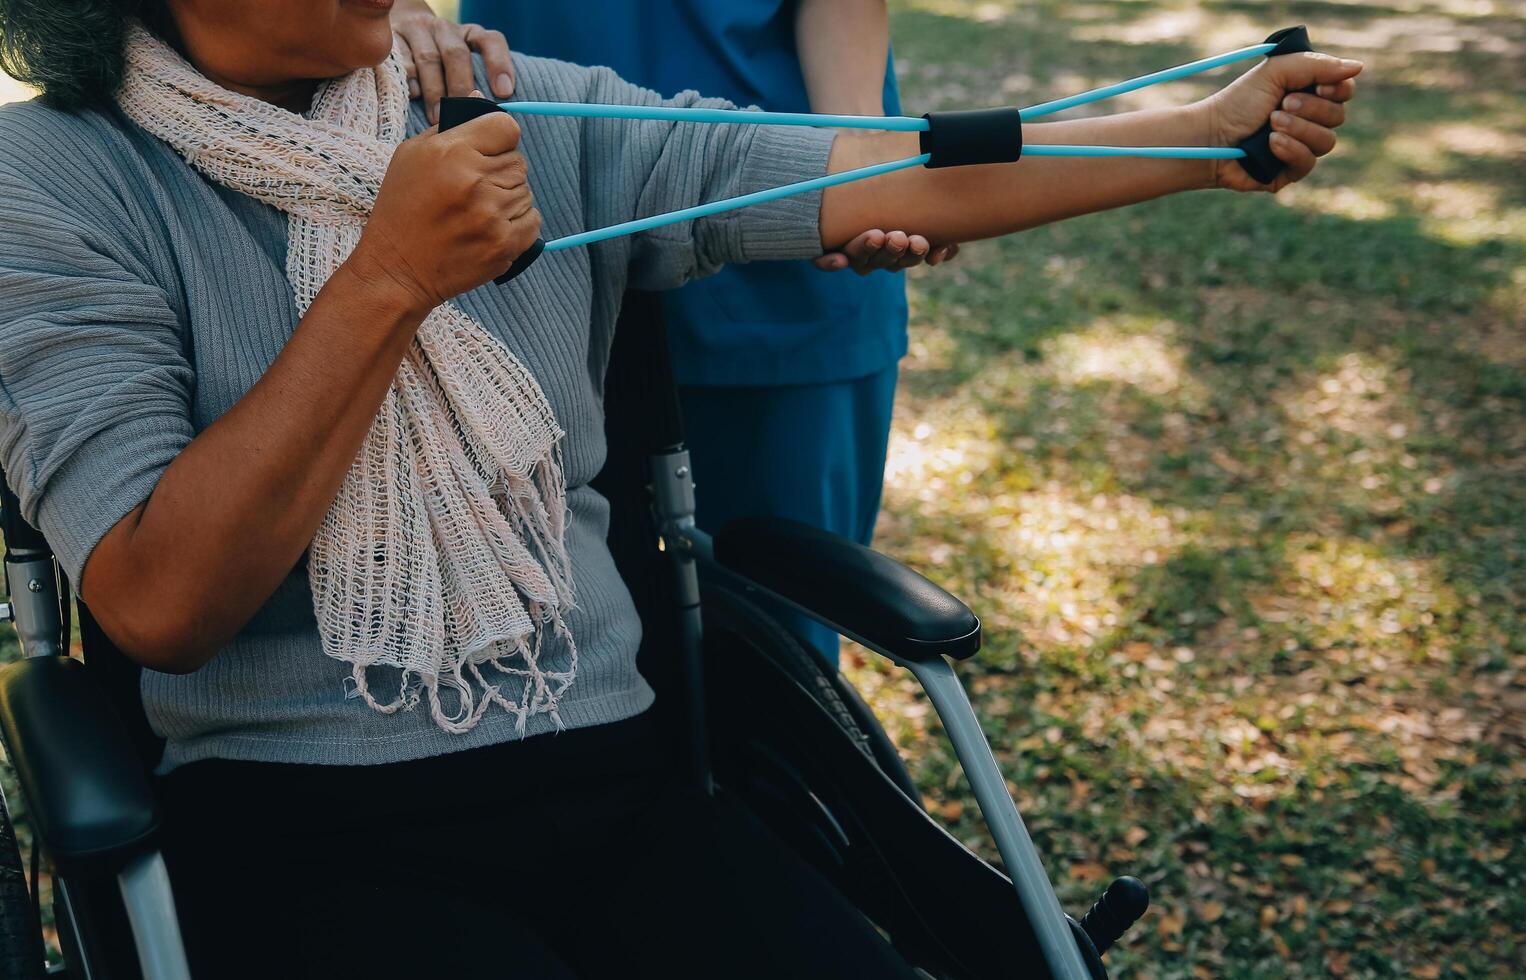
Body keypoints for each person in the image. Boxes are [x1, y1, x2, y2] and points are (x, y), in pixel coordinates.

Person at [0, 0, 1360, 975]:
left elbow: (865, 170)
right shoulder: (52, 184)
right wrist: (388, 281)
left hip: (623, 792)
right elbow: (157, 602)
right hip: (293, 833)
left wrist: (1201, 137)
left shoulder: (510, 111)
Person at [393, 0, 945, 663]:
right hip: (532, 232)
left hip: (782, 235)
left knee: (775, 652)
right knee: (535, 643)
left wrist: (868, 164)